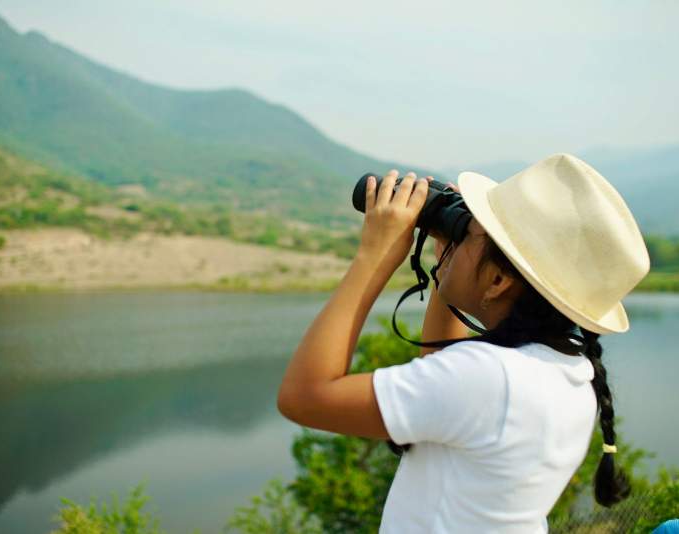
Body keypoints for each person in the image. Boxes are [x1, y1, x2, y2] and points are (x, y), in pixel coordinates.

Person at [277, 153, 651, 532]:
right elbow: (443, 383)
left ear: (498, 282)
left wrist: (374, 256)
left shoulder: (491, 380)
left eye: (469, 231)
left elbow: (305, 397)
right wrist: (450, 263)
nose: (457, 234)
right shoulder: (564, 370)